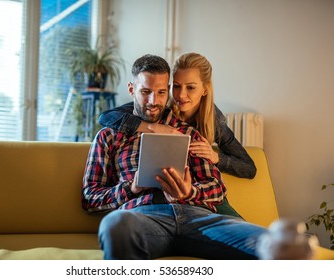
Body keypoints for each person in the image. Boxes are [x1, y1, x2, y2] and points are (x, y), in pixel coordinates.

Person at [82, 54, 267, 260]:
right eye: (145, 92)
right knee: (115, 225)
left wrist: (190, 191)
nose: (154, 101)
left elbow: (217, 187)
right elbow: (90, 198)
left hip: (196, 216)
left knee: (271, 242)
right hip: (142, 216)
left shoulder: (187, 132)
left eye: (161, 92)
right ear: (131, 89)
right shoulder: (109, 136)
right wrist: (130, 188)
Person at [98, 52, 256, 179]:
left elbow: (249, 168)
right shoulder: (161, 106)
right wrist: (154, 128)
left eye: (191, 88)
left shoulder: (213, 120)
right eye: (177, 86)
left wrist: (216, 157)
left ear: (205, 89)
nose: (181, 95)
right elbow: (106, 117)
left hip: (197, 188)